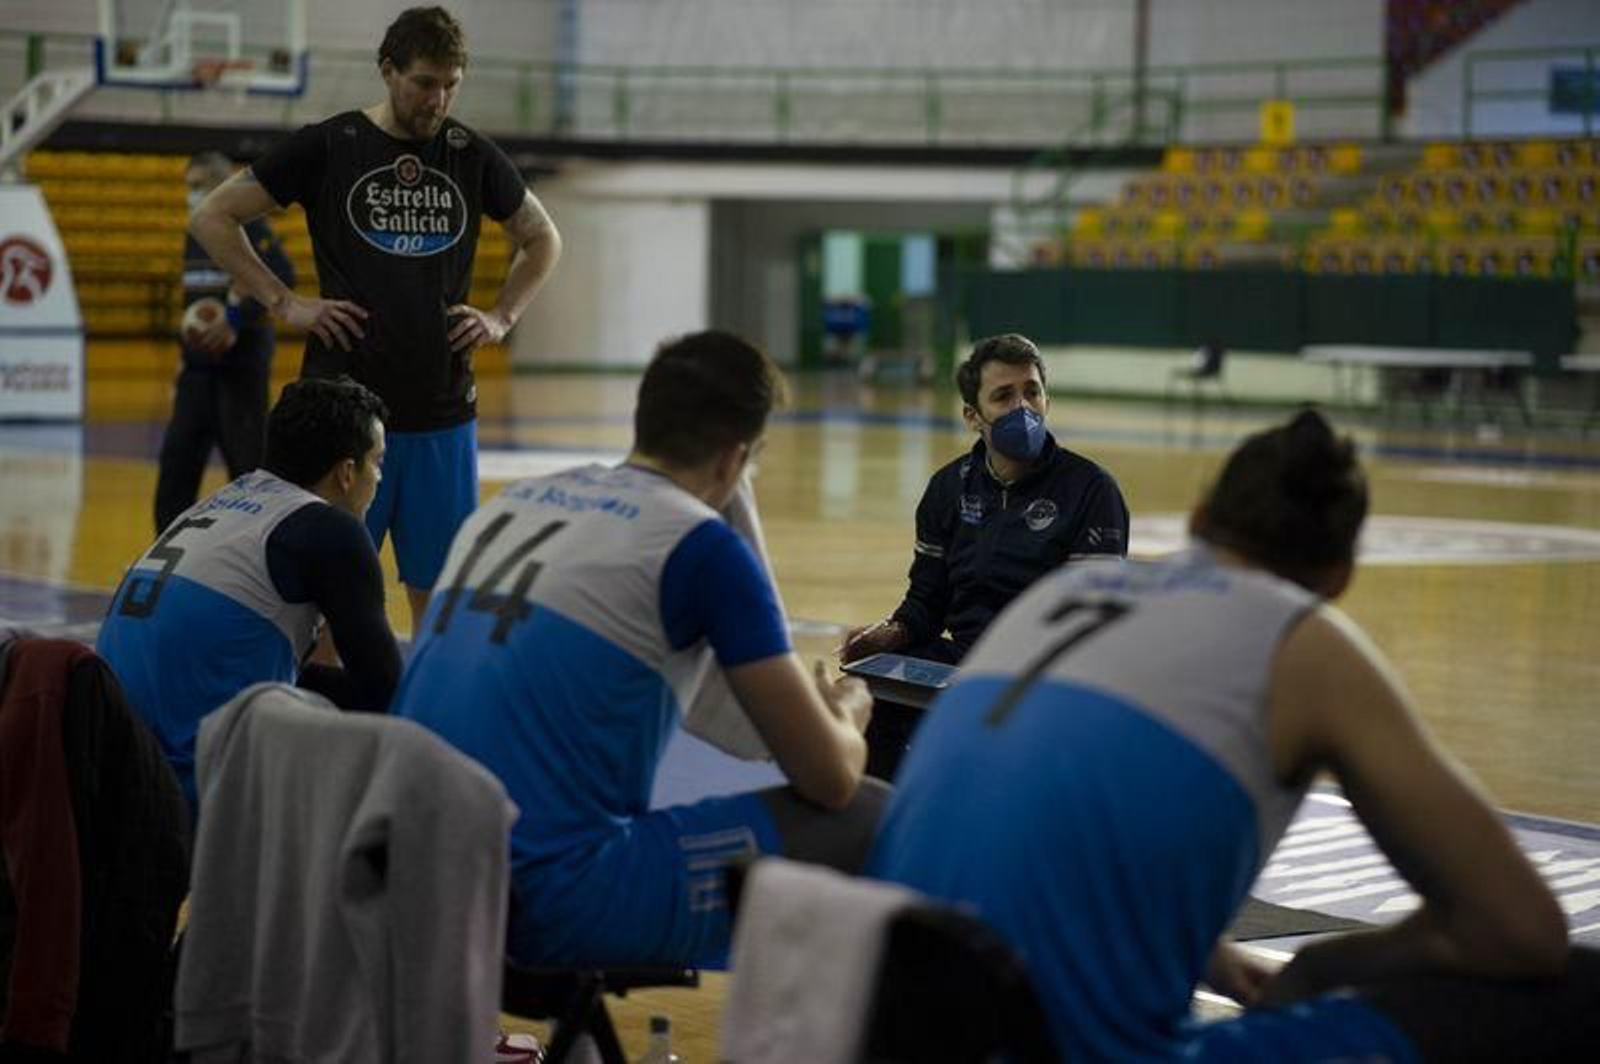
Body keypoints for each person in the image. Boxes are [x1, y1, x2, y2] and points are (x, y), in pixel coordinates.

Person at [869, 409, 1596, 1061]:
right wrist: (1328, 966)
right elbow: (1522, 930)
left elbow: (1048, 824)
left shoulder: (1062, 595)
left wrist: (1211, 958)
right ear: (1338, 576)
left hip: (888, 1023)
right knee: (1571, 986)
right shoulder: (1304, 641)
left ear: (1197, 519)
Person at [394, 330, 885, 968]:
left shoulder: (508, 505)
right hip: (543, 898)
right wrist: (847, 713)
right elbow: (829, 777)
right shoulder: (699, 547)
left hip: (409, 865)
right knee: (873, 817)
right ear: (737, 459)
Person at [189, 5, 563, 633]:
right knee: (330, 609)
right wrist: (284, 302)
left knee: (438, 603)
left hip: (443, 410)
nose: (437, 99)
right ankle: (328, 723)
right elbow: (212, 216)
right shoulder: (331, 144)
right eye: (424, 82)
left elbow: (542, 236)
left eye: (451, 84)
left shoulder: (470, 153)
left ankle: (422, 724)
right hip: (345, 418)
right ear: (388, 71)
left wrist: (502, 314)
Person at [98, 377, 402, 812]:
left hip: (109, 773)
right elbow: (385, 693)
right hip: (186, 790)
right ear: (346, 472)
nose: (380, 478)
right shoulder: (329, 531)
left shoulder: (223, 501)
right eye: (378, 462)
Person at [839, 332, 1129, 775]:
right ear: (973, 416)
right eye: (1004, 396)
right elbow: (925, 603)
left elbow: (1093, 625)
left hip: (1048, 675)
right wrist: (891, 635)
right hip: (964, 661)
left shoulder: (1091, 490)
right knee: (861, 693)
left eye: (1032, 391)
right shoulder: (947, 488)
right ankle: (884, 820)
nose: (1023, 408)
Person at [154, 150, 295, 534]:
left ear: (220, 185)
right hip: (197, 370)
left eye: (198, 186)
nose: (191, 194)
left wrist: (234, 318)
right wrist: (184, 356)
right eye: (188, 187)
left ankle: (254, 550)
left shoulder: (248, 226)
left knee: (246, 466)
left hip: (241, 365)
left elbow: (283, 274)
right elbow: (193, 299)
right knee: (176, 463)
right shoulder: (193, 233)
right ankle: (164, 552)